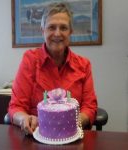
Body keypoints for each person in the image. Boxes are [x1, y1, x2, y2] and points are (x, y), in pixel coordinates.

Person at [8, 2, 97, 135]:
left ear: (70, 32)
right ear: (42, 30)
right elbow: (16, 107)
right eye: (51, 27)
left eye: (63, 28)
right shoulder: (30, 60)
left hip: (72, 136)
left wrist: (73, 122)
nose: (57, 33)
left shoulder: (84, 65)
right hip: (36, 135)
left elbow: (89, 107)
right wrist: (24, 119)